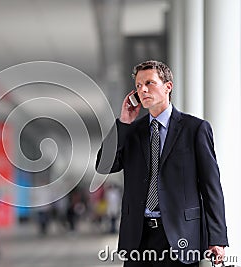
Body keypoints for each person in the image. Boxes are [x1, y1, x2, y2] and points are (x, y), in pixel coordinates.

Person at [96, 60, 228, 266]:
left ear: (168, 86)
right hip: (138, 237)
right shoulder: (131, 132)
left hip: (180, 235)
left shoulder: (195, 129)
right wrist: (122, 124)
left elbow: (211, 187)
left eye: (149, 83)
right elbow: (104, 166)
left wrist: (217, 238)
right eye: (138, 86)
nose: (143, 90)